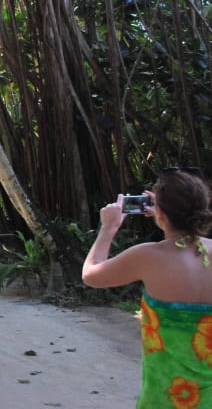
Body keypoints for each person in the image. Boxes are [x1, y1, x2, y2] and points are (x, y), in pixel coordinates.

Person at [83, 169, 212, 408]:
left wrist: (108, 228)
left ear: (160, 213)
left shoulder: (147, 257)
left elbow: (91, 275)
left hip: (165, 397)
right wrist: (166, 217)